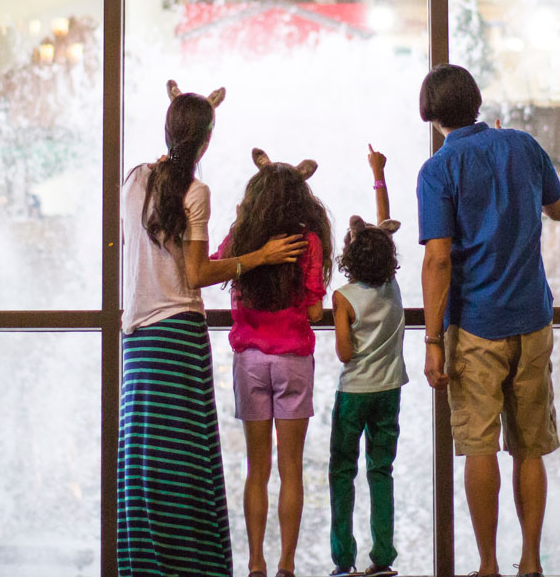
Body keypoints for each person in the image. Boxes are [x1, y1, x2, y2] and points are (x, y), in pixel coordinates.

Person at [117, 81, 307, 577]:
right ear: (205, 143)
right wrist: (261, 256)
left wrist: (187, 109)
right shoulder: (194, 192)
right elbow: (199, 273)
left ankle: (145, 563)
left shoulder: (134, 180)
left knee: (144, 456)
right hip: (178, 334)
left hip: (136, 339)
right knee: (185, 458)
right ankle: (194, 565)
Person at [415, 64, 560, 577]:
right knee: (530, 446)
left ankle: (486, 566)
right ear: (477, 102)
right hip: (532, 316)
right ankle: (530, 561)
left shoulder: (438, 169)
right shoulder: (522, 145)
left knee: (479, 445)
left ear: (432, 113)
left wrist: (433, 339)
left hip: (476, 323)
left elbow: (438, 258)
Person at [215, 148, 333, 577]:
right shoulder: (310, 242)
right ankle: (286, 565)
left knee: (256, 469)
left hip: (248, 361)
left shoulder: (242, 237)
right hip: (293, 362)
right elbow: (317, 313)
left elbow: (213, 268)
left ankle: (255, 564)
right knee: (291, 471)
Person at [326, 145, 408, 577]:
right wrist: (379, 174)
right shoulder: (391, 286)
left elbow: (343, 351)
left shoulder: (344, 297)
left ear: (349, 260)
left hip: (354, 394)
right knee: (381, 472)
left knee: (342, 473)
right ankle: (382, 560)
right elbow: (383, 226)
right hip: (389, 391)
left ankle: (344, 562)